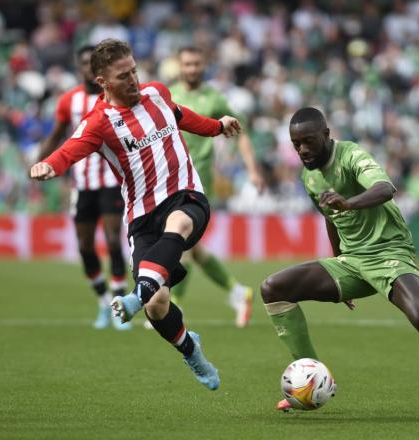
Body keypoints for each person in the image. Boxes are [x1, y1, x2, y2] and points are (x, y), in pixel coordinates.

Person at [261, 107, 419, 418]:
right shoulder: (309, 176)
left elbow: (385, 189)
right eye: (296, 144)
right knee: (273, 289)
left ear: (326, 134)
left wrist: (349, 203)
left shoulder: (351, 155)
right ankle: (311, 380)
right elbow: (330, 219)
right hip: (351, 261)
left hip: (389, 253)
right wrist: (338, 263)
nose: (302, 150)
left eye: (308, 141)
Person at [30, 39, 243, 390]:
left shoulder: (157, 93)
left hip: (186, 195)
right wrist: (49, 166)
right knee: (159, 307)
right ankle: (190, 349)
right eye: (123, 75)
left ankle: (135, 296)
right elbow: (70, 148)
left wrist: (217, 127)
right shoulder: (99, 123)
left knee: (180, 223)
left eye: (134, 71)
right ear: (103, 81)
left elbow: (182, 117)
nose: (133, 80)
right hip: (143, 216)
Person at [167, 46, 265, 327]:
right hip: (169, 178)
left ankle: (173, 307)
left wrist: (253, 170)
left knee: (180, 241)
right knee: (193, 249)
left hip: (198, 181)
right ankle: (238, 292)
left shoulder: (214, 98)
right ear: (180, 65)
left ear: (203, 65)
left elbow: (240, 132)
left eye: (197, 63)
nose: (192, 69)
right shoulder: (169, 96)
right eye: (187, 63)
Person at [37, 45, 130, 331]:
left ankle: (118, 304)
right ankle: (103, 300)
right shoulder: (69, 101)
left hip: (112, 181)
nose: (89, 70)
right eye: (85, 66)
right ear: (80, 69)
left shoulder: (116, 97)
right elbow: (56, 134)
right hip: (83, 184)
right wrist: (41, 162)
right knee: (85, 246)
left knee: (114, 242)